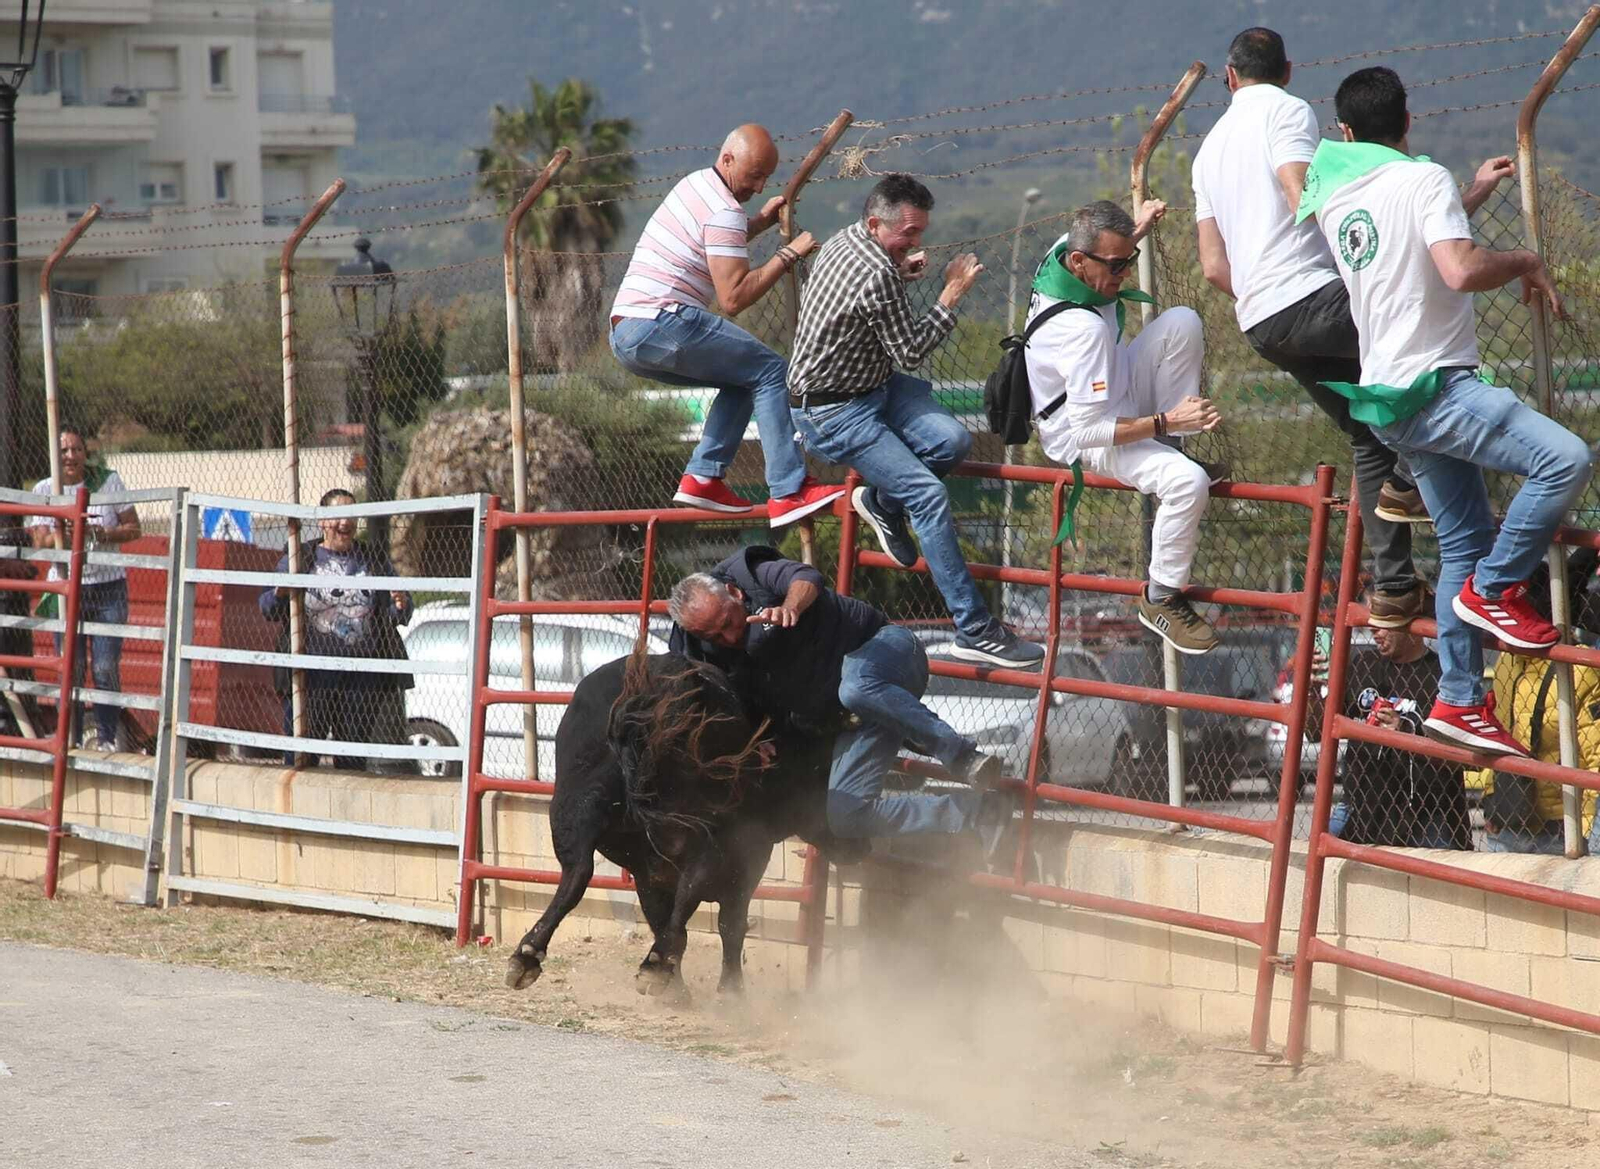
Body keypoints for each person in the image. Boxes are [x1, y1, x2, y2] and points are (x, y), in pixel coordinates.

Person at [1298, 65, 1593, 755]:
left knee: (1460, 539)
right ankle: (1496, 590)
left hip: (1387, 401)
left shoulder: (1340, 197)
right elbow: (1457, 269)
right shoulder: (1420, 177)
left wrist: (1468, 198)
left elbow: (1413, 242)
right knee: (1564, 458)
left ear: (1346, 133)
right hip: (1437, 389)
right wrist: (1523, 258)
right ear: (1408, 122)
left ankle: (1459, 699)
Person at [1191, 27, 1493, 631]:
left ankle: (1394, 589)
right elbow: (1301, 191)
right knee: (1436, 349)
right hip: (1315, 296)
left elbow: (1213, 266)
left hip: (1262, 320)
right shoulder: (1288, 110)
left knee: (1367, 431)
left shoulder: (1207, 152)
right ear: (1288, 71)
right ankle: (1412, 486)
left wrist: (1265, 296)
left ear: (1229, 77)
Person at [788, 172, 1044, 669]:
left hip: (872, 385)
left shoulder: (848, 242)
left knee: (951, 442)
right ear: (874, 222)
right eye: (907, 234)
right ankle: (974, 628)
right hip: (833, 410)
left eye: (920, 232)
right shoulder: (877, 273)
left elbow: (863, 306)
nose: (915, 242)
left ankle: (881, 503)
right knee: (927, 493)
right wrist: (950, 294)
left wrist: (901, 266)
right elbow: (909, 350)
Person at [667, 545, 1014, 860]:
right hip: (851, 718)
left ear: (733, 591)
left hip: (888, 651)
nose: (729, 636)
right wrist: (751, 740)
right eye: (714, 636)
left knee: (856, 687)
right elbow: (710, 703)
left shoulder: (751, 572)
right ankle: (980, 811)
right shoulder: (694, 649)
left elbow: (805, 578)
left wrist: (790, 607)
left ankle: (964, 757)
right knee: (847, 818)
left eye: (729, 622)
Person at [609, 123, 844, 526]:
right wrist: (788, 253)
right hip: (663, 319)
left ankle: (703, 477)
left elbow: (719, 243)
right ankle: (789, 490)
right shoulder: (724, 210)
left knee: (743, 380)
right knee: (772, 372)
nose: (758, 186)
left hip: (627, 333)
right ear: (728, 158)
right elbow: (733, 298)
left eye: (766, 178)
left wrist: (760, 224)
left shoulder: (697, 185)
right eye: (754, 176)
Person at [1024, 199, 1226, 655]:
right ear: (1079, 261)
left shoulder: (1065, 253)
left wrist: (1136, 231)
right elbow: (1087, 432)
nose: (1124, 274)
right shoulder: (1082, 330)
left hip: (1109, 391)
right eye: (1116, 265)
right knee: (1188, 483)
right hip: (1081, 432)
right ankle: (1161, 597)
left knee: (1181, 323)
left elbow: (1106, 249)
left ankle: (1170, 447)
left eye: (1128, 260)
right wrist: (1167, 420)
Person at [259, 489, 415, 774]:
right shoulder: (301, 556)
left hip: (360, 678)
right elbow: (268, 607)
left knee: (352, 760)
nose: (345, 523)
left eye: (351, 516)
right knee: (302, 756)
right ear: (321, 521)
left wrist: (400, 603)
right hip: (311, 675)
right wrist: (281, 592)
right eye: (336, 516)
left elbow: (400, 612)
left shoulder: (374, 560)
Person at [1469, 550, 1600, 854]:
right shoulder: (1506, 660)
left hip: (1563, 823)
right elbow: (1494, 731)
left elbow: (1595, 755)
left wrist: (1587, 831)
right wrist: (1492, 799)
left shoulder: (1579, 667)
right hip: (1511, 815)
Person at [1306, 620, 1470, 850]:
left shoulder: (1442, 675)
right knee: (1318, 859)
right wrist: (1312, 692)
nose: (1374, 630)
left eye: (1384, 622)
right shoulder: (1364, 663)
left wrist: (1404, 731)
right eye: (1372, 621)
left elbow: (1461, 756)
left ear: (1411, 624)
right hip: (1360, 807)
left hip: (1427, 813)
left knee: (1435, 881)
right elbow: (1314, 731)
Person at [27, 428, 141, 751]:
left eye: (76, 449)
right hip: (68, 587)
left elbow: (133, 528)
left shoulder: (107, 481)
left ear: (85, 454)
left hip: (107, 586)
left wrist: (100, 533)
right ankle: (71, 737)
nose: (70, 456)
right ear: (54, 455)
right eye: (63, 451)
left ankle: (107, 738)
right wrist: (64, 529)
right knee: (72, 667)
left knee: (104, 667)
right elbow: (39, 540)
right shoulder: (44, 488)